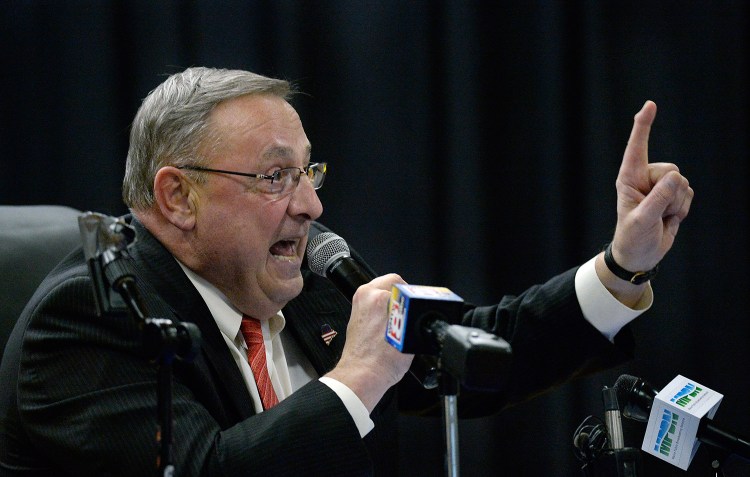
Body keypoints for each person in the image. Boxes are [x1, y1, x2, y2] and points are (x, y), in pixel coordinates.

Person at [0, 67, 693, 476]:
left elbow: (478, 350)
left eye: (308, 171)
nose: (311, 204)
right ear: (178, 196)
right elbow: (205, 467)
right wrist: (357, 376)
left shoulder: (301, 277)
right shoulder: (90, 320)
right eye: (276, 176)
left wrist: (621, 266)